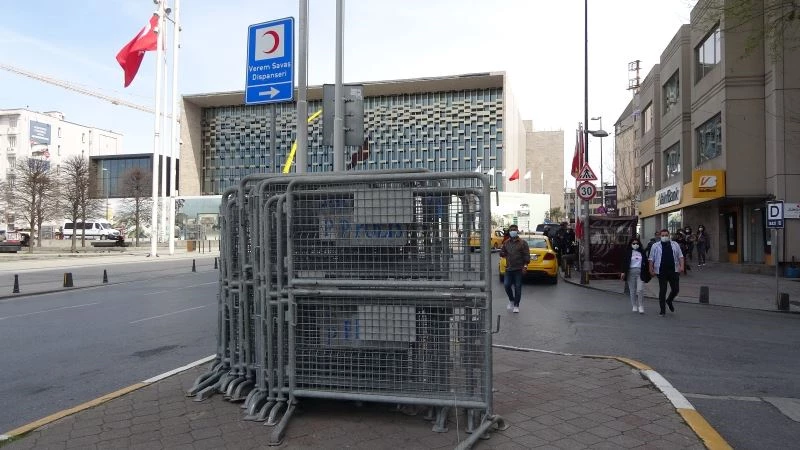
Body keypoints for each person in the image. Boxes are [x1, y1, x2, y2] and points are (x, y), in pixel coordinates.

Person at [649, 229, 685, 316]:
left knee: (676, 289)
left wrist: (682, 266)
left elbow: (680, 256)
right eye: (663, 235)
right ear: (660, 236)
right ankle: (662, 310)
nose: (664, 237)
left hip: (673, 270)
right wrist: (651, 269)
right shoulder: (655, 246)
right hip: (661, 271)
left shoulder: (675, 244)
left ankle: (669, 300)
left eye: (666, 235)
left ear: (669, 236)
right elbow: (651, 259)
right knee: (663, 290)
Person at [500, 224, 530, 313]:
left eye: (514, 229)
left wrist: (525, 266)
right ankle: (511, 300)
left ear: (517, 231)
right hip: (509, 268)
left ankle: (516, 305)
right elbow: (503, 252)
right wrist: (501, 253)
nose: (513, 231)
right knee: (506, 285)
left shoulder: (523, 243)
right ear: (509, 231)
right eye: (511, 230)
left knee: (518, 287)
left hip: (518, 269)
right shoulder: (506, 242)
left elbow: (526, 256)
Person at [621, 237, 651, 314]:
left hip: (640, 272)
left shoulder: (642, 252)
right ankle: (634, 305)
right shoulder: (628, 252)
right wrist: (623, 272)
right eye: (633, 243)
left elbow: (646, 263)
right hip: (630, 272)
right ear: (631, 244)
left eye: (637, 243)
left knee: (640, 289)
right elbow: (624, 262)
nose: (635, 245)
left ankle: (641, 305)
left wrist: (649, 271)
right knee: (632, 290)